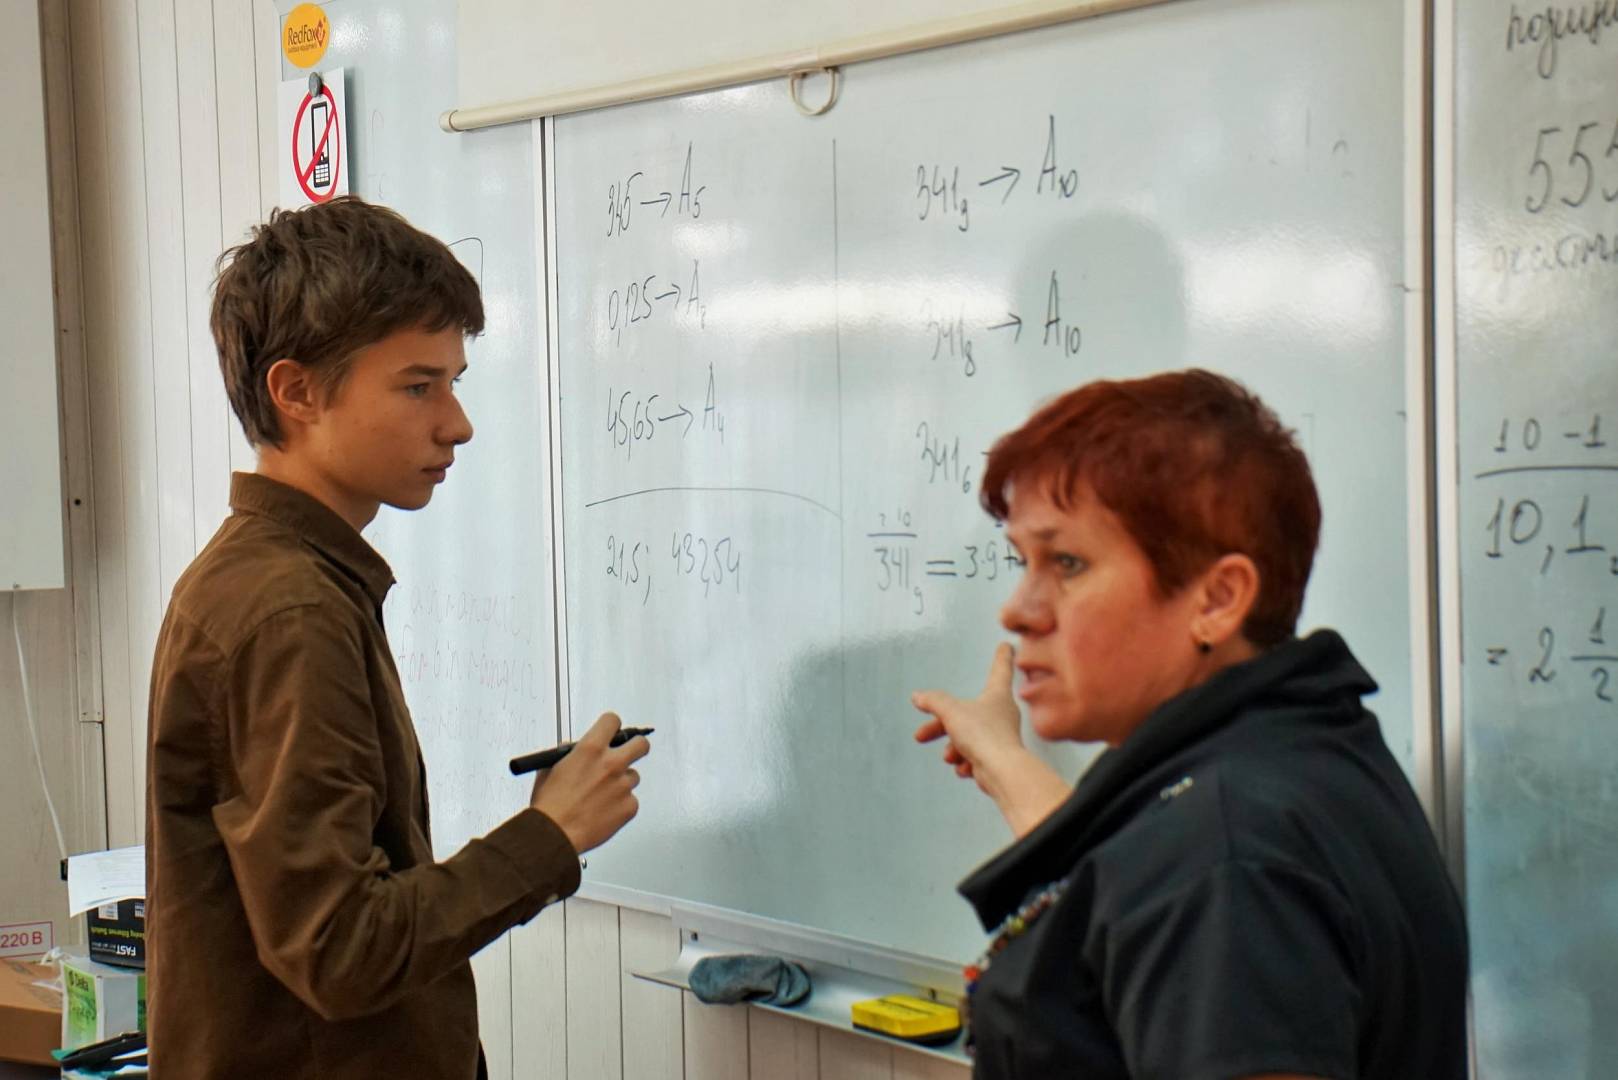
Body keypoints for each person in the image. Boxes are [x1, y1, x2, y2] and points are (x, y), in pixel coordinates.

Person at [144, 196, 648, 1079]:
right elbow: (341, 951)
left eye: (454, 382)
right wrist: (551, 835)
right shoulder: (288, 612)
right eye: (419, 387)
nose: (457, 423)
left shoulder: (283, 578)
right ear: (297, 392)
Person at [911, 370, 1467, 1079]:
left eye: (1068, 563)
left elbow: (1192, 878)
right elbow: (1124, 882)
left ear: (1218, 599)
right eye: (1025, 563)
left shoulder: (1230, 855)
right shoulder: (1290, 756)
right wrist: (999, 757)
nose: (1017, 611)